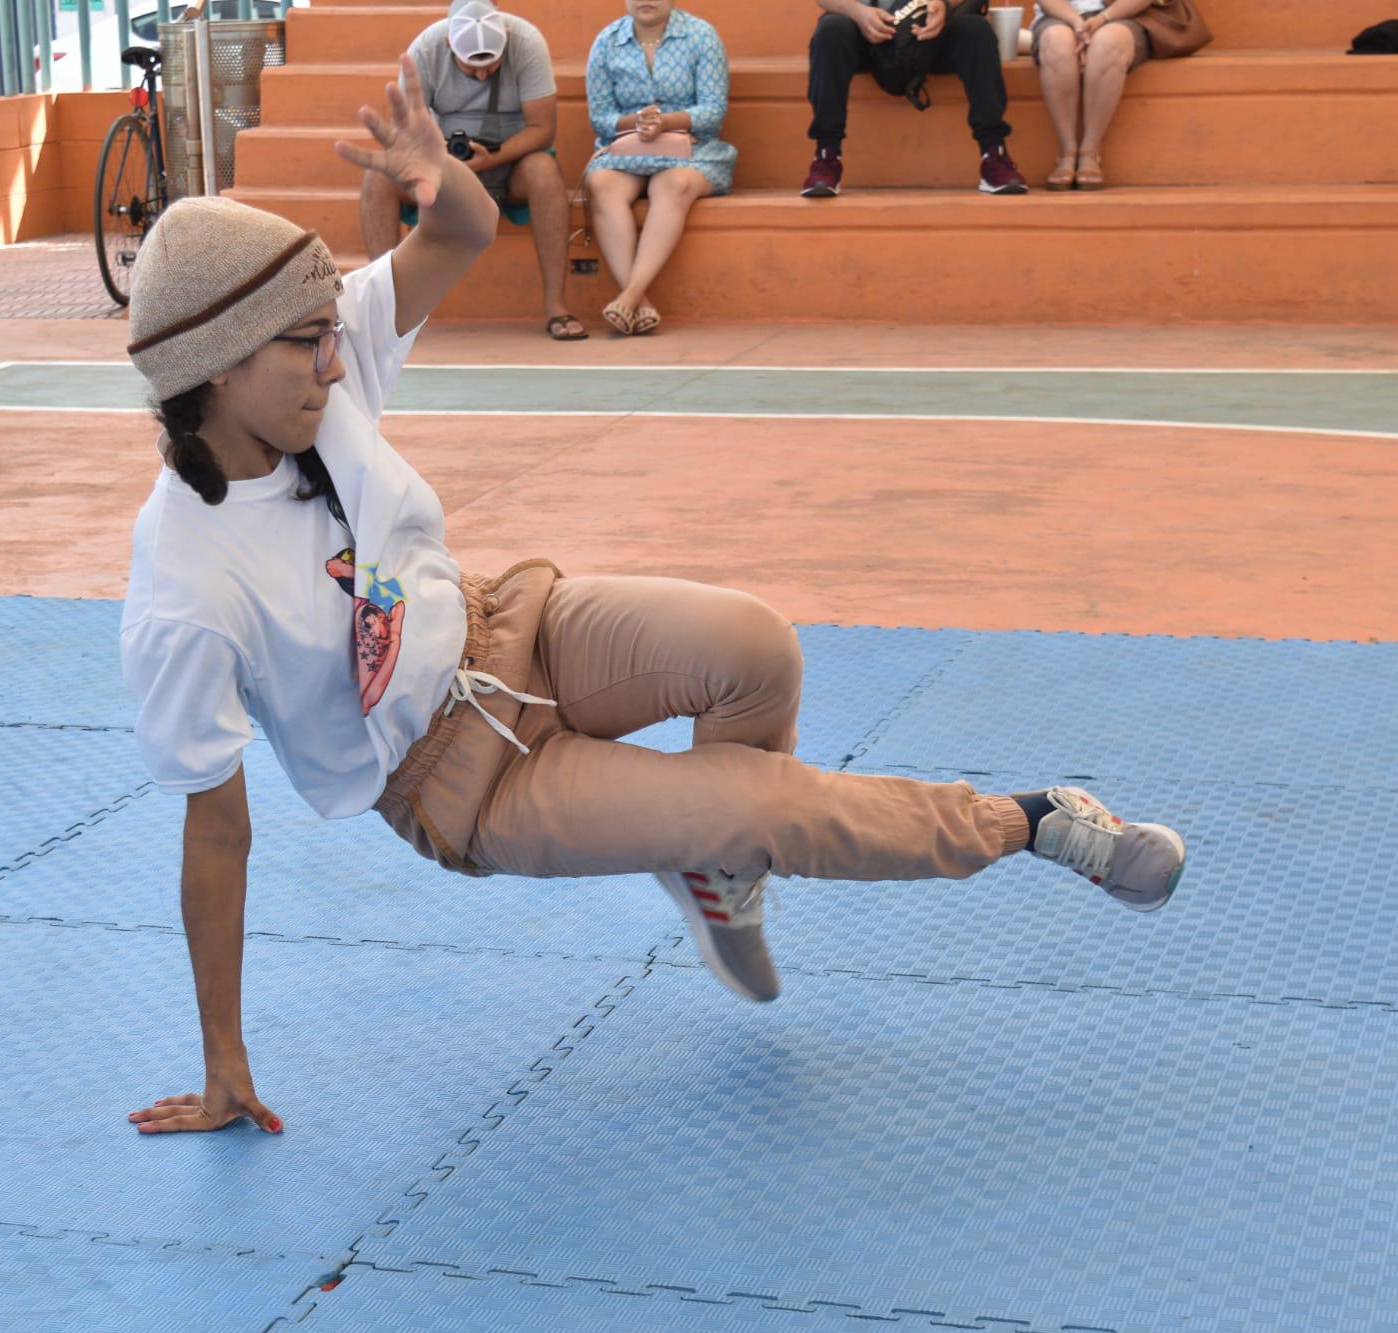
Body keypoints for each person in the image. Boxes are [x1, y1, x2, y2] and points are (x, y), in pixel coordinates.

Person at [118, 54, 1186, 1137]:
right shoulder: (185, 585)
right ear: (215, 367)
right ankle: (1033, 822)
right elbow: (217, 835)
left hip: (508, 626)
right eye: (306, 347)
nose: (335, 364)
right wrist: (224, 1061)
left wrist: (439, 176)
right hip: (462, 783)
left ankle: (718, 876)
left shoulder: (308, 358)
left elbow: (459, 236)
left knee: (754, 648)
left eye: (329, 336)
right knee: (762, 804)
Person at [360, 0, 588, 341]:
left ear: (506, 39)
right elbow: (406, 134)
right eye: (471, 68)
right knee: (377, 176)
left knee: (544, 171)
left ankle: (556, 305)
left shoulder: (527, 41)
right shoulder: (424, 50)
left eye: (490, 65)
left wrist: (492, 159)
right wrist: (443, 161)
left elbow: (543, 129)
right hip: (442, 167)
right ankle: (385, 310)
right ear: (450, 45)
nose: (481, 75)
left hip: (511, 163)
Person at [582, 0, 735, 336]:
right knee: (600, 184)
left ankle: (630, 295)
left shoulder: (701, 36)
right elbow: (601, 118)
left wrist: (666, 122)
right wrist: (634, 123)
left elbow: (713, 110)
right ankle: (640, 300)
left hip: (693, 149)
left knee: (673, 184)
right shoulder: (606, 42)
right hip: (629, 148)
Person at [803, 0, 1028, 196]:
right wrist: (859, 13)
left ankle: (994, 154)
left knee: (977, 30)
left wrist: (944, 5)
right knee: (830, 29)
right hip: (865, 32)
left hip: (932, 34)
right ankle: (826, 156)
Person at [1032, 0, 1155, 189]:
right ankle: (1067, 152)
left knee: (1109, 40)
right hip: (1060, 16)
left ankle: (1090, 151)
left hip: (1125, 15)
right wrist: (1078, 25)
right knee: (1056, 39)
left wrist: (1101, 19)